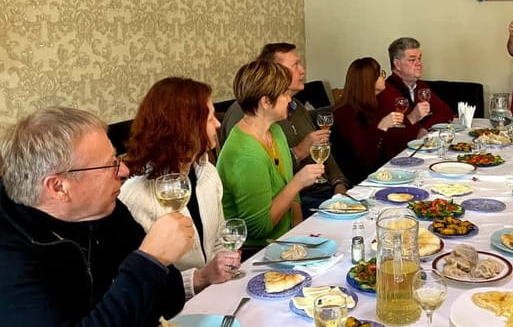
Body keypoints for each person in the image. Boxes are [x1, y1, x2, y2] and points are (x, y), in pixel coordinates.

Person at [0, 107, 190, 325]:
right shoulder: (10, 258)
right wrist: (150, 261)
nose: (124, 171)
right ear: (59, 187)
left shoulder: (106, 210)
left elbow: (171, 300)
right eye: (110, 164)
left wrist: (153, 263)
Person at [119, 78, 240, 300]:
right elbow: (137, 286)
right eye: (210, 118)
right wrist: (201, 278)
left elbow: (219, 238)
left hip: (215, 296)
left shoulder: (207, 173)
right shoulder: (136, 195)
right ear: (185, 126)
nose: (218, 124)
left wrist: (224, 260)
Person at [220, 43, 349, 218]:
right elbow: (259, 222)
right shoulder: (247, 120)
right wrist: (302, 151)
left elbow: (323, 151)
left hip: (316, 196)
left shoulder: (293, 111)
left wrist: (339, 183)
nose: (302, 70)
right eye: (295, 65)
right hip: (304, 200)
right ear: (274, 71)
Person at [217, 60, 324, 246]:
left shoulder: (275, 131)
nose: (290, 99)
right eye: (284, 93)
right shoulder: (246, 155)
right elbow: (259, 229)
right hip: (256, 251)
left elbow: (289, 188)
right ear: (266, 102)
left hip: (285, 239)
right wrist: (298, 182)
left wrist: (299, 229)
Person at [331, 58, 407, 185]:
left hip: (384, 170)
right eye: (380, 74)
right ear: (369, 81)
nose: (384, 77)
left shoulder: (375, 104)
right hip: (360, 179)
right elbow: (363, 159)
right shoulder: (344, 113)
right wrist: (382, 127)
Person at [376, 37, 455, 146]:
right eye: (412, 60)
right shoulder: (386, 92)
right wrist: (412, 118)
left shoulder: (421, 86)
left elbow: (446, 112)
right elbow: (390, 139)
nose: (419, 64)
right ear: (397, 64)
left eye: (419, 58)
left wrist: (425, 128)